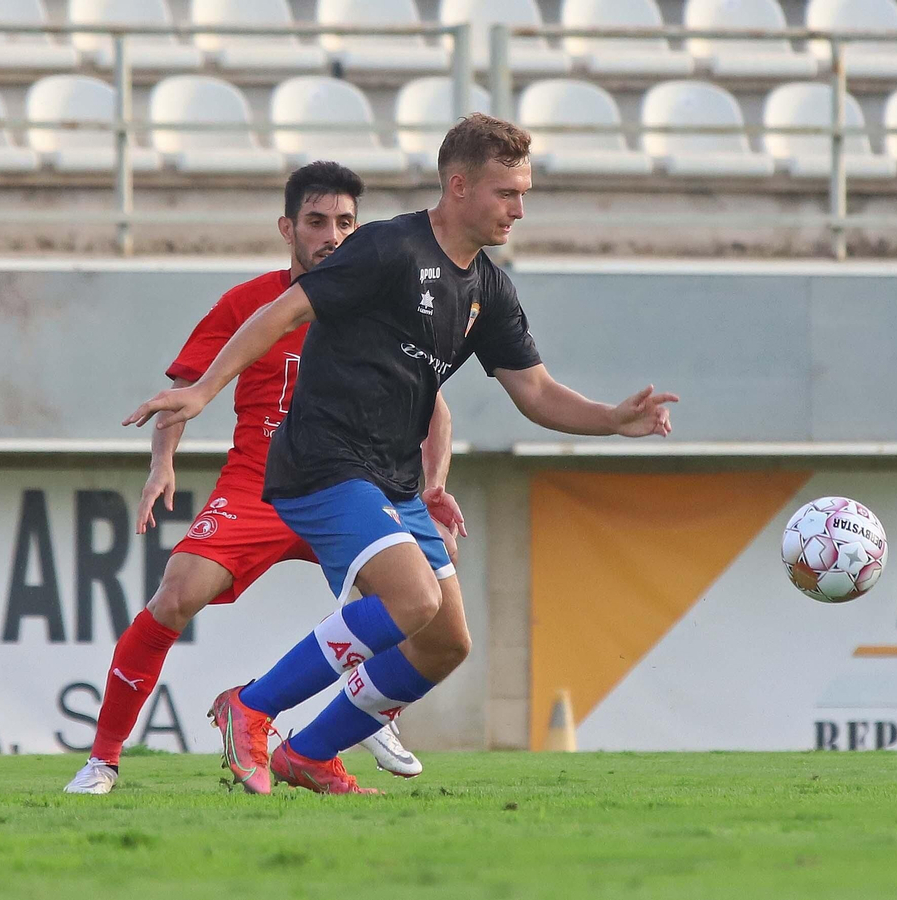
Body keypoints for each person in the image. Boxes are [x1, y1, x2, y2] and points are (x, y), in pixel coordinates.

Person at [124, 114, 677, 795]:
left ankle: (311, 753)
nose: (519, 208)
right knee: (411, 600)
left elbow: (533, 390)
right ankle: (253, 705)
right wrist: (206, 389)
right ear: (458, 184)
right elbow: (285, 312)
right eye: (507, 192)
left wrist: (611, 419)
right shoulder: (388, 248)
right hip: (324, 461)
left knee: (446, 642)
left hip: (392, 479)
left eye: (524, 192)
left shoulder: (488, 288)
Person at [65, 162, 462, 795]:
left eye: (345, 222)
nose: (332, 235)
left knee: (408, 603)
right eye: (316, 222)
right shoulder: (250, 303)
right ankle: (103, 759)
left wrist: (430, 483)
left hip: (350, 485)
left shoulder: (382, 306)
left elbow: (434, 406)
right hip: (261, 483)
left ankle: (352, 726)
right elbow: (186, 387)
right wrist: (161, 464)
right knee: (175, 596)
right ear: (287, 228)